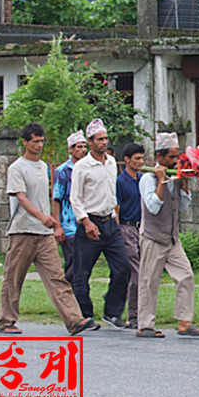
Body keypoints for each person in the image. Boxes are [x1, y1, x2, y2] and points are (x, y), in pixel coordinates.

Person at [0, 122, 96, 335]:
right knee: (14, 278)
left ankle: (74, 320)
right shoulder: (17, 168)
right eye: (35, 141)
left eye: (42, 141)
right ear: (25, 142)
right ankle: (6, 320)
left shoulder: (43, 167)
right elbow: (21, 198)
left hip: (44, 234)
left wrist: (52, 222)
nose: (39, 145)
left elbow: (49, 198)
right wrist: (42, 216)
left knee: (57, 277)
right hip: (23, 231)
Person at [136, 132, 199, 338]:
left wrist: (184, 185)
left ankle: (184, 321)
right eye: (171, 158)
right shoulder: (148, 179)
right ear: (159, 157)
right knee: (149, 281)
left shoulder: (175, 178)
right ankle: (145, 325)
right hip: (152, 237)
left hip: (172, 238)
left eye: (177, 157)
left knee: (186, 275)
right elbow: (153, 207)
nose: (175, 161)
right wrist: (160, 181)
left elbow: (183, 205)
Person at [70, 118, 131, 329]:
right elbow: (75, 199)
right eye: (99, 139)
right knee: (81, 273)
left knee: (123, 267)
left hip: (110, 222)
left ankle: (112, 312)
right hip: (89, 223)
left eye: (106, 138)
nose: (104, 142)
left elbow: (111, 193)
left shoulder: (112, 162)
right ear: (90, 141)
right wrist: (86, 222)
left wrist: (115, 217)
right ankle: (85, 315)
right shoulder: (82, 167)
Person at [116, 143, 145, 330]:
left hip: (143, 228)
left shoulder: (143, 179)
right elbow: (117, 207)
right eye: (137, 159)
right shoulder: (121, 181)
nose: (140, 162)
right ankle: (133, 315)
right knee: (136, 272)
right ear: (127, 160)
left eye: (142, 158)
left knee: (145, 272)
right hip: (127, 228)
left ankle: (143, 312)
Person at [51, 131, 87, 284]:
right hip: (69, 223)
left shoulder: (87, 167)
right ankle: (67, 292)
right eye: (79, 147)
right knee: (73, 261)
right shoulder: (62, 171)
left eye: (85, 147)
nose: (83, 150)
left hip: (85, 221)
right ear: (71, 149)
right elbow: (56, 198)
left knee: (84, 263)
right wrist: (57, 226)